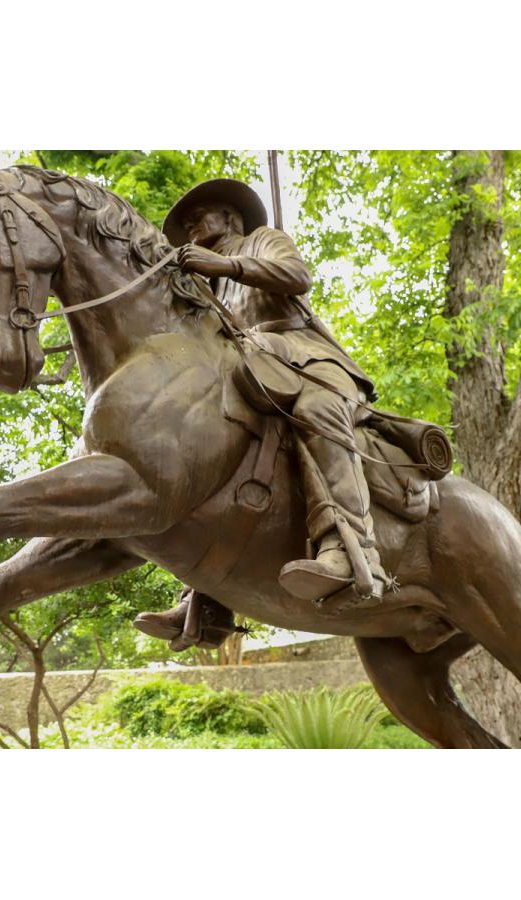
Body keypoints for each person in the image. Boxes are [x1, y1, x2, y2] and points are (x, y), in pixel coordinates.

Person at [134, 179, 388, 649]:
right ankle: (207, 596)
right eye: (186, 226)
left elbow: (297, 276)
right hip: (253, 371)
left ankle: (352, 551)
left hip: (306, 360)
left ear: (230, 219)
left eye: (200, 216)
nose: (190, 228)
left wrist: (227, 264)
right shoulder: (203, 285)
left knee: (318, 412)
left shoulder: (262, 241)